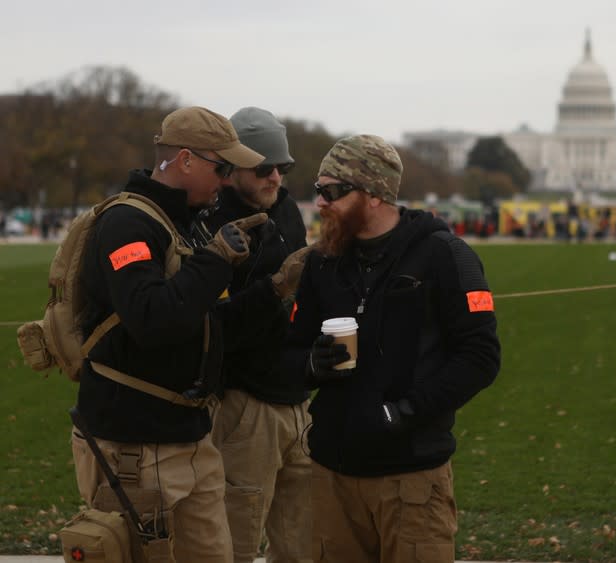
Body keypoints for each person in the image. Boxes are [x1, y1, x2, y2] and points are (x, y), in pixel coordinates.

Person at [283, 135, 501, 563]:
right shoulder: (322, 261)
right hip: (332, 475)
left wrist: (404, 412)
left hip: (412, 478)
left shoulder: (444, 255)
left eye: (332, 191)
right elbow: (287, 351)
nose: (321, 203)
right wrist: (311, 364)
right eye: (318, 190)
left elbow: (480, 357)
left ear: (372, 194)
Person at [72, 106, 273, 563]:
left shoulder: (184, 220)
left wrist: (274, 290)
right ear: (184, 160)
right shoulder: (127, 224)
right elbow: (152, 319)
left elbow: (205, 322)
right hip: (135, 445)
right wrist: (217, 258)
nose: (225, 180)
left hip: (188, 436)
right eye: (221, 168)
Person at [195, 107, 311, 563]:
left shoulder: (285, 210)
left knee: (306, 546)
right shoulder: (208, 223)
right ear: (231, 166)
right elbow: (211, 328)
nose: (276, 178)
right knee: (234, 545)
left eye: (283, 168)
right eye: (264, 169)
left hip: (298, 400)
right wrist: (277, 289)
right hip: (245, 405)